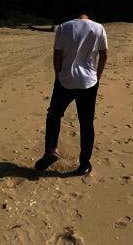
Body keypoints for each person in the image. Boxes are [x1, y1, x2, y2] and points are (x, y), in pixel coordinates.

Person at [35, 13, 108, 176]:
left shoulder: (63, 27)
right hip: (89, 82)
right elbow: (104, 56)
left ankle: (50, 150)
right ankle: (84, 164)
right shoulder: (99, 28)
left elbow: (57, 56)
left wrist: (58, 76)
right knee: (86, 122)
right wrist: (97, 77)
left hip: (65, 80)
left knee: (54, 115)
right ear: (88, 15)